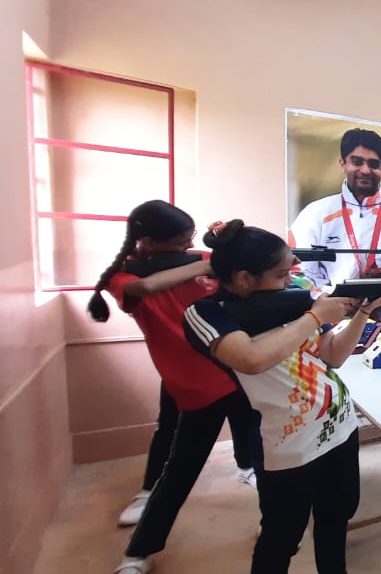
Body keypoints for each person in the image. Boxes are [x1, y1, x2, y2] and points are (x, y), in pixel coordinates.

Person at [185, 219, 381, 574]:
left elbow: (332, 355)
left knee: (334, 524)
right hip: (287, 451)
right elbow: (250, 359)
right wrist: (314, 315)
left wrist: (364, 311)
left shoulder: (295, 297)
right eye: (281, 274)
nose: (291, 281)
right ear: (243, 278)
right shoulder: (206, 313)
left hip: (340, 431)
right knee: (280, 539)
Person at [95, 202, 263, 574]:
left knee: (265, 454)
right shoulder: (122, 278)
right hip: (197, 383)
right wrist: (205, 265)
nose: (189, 246)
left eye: (191, 239)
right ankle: (138, 553)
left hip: (240, 370)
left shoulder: (199, 258)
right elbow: (143, 286)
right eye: (180, 241)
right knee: (180, 470)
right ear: (148, 243)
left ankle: (272, 519)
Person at [288, 128, 381, 321]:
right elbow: (296, 274)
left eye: (373, 164)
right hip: (330, 324)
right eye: (357, 161)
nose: (365, 170)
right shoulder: (315, 214)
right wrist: (331, 296)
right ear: (343, 164)